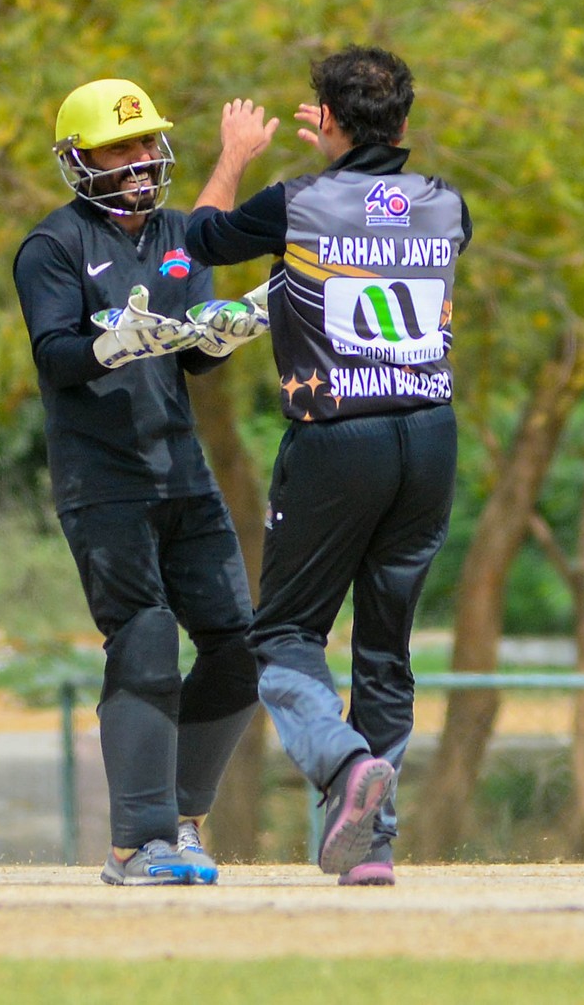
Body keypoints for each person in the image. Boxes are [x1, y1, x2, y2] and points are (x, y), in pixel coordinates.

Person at [185, 46, 470, 886]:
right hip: (430, 438)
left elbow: (201, 237)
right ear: (406, 122)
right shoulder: (448, 204)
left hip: (338, 438)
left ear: (331, 121)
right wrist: (348, 159)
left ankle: (346, 766)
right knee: (386, 646)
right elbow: (379, 212)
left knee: (283, 635)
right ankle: (371, 846)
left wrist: (236, 155)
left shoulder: (295, 203)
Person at [12, 79, 266, 886]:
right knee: (146, 638)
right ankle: (135, 842)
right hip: (104, 480)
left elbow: (194, 350)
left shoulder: (175, 234)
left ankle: (179, 819)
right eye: (121, 146)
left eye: (148, 142)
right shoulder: (52, 245)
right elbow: (55, 356)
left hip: (182, 470)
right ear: (80, 159)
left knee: (240, 645)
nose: (141, 158)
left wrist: (223, 336)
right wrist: (110, 346)